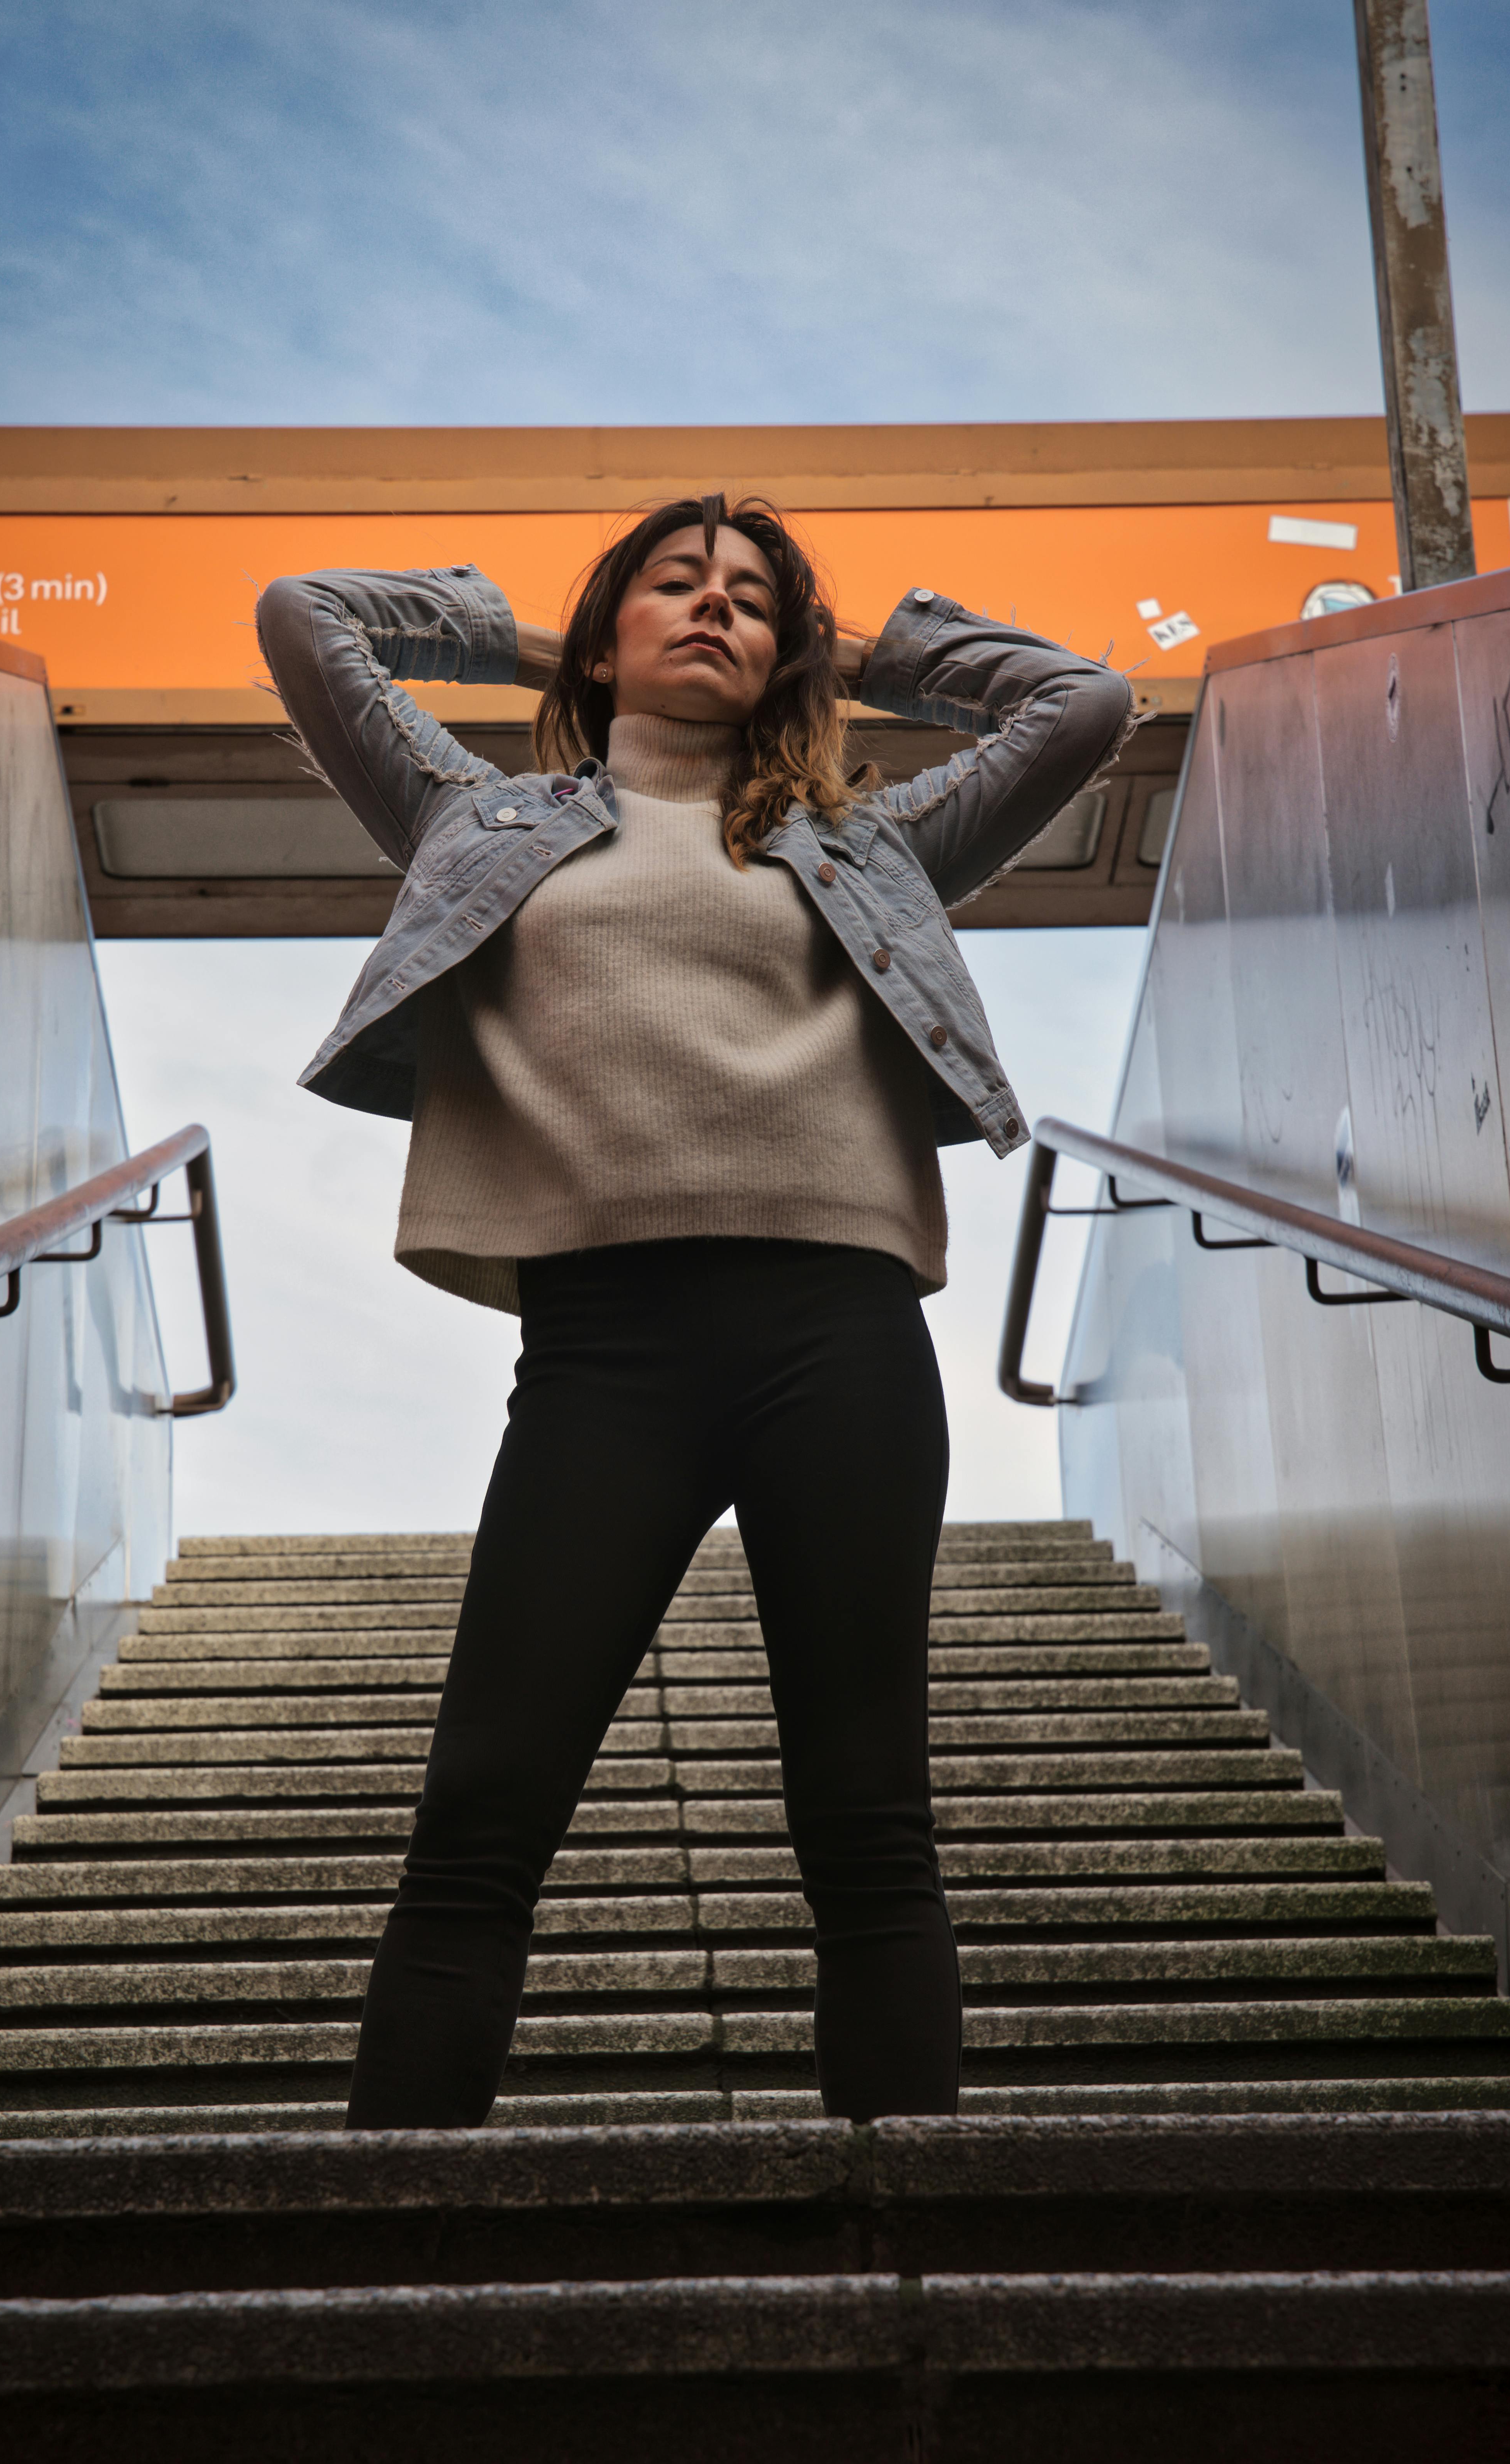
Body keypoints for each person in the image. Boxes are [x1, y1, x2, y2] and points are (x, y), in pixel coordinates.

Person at [255, 496, 1131, 2127]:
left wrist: (848, 650)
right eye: (678, 589)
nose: (716, 612)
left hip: (840, 1337)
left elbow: (1077, 703)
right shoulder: (478, 817)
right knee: (483, 1810)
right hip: (605, 1353)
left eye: (749, 602)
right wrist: (535, 630)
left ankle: (905, 2265)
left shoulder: (870, 841)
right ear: (605, 635)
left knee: (866, 1815)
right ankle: (385, 2270)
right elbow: (306, 614)